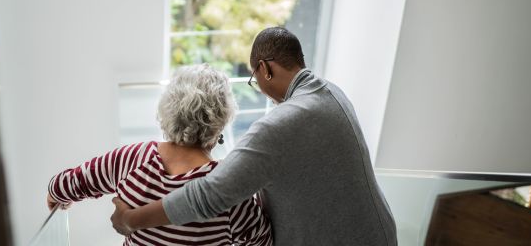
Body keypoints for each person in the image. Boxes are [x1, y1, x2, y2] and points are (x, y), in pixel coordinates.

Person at [111, 27, 397, 245]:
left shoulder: (278, 125)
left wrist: (130, 219)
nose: (258, 86)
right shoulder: (333, 93)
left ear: (265, 69)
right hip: (378, 233)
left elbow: (210, 195)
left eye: (254, 78)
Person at [47, 64, 272, 246]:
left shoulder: (133, 158)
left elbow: (67, 184)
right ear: (222, 118)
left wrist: (56, 197)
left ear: (168, 107)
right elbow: (263, 241)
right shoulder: (226, 190)